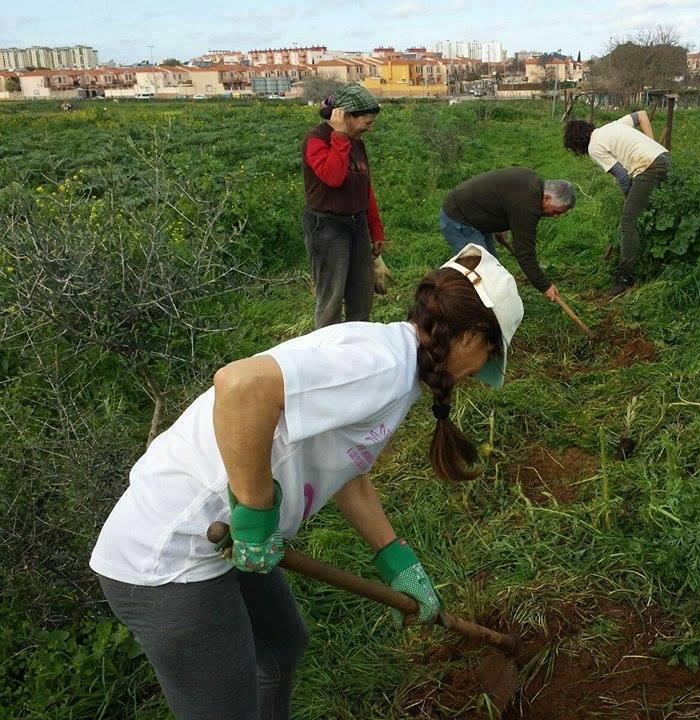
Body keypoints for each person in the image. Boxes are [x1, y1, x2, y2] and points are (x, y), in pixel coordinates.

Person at [89, 244, 523, 720]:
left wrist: (396, 560)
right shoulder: (381, 365)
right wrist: (256, 512)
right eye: (488, 354)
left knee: (281, 646)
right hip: (172, 554)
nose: (479, 371)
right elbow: (241, 387)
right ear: (470, 335)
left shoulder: (399, 364)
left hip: (231, 540)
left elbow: (346, 466)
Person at [301, 82, 386, 328]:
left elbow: (365, 189)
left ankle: (357, 340)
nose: (369, 128)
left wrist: (375, 229)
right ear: (345, 117)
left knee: (362, 293)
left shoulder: (357, 143)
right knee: (332, 297)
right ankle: (330, 345)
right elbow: (333, 177)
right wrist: (338, 136)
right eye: (366, 123)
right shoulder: (316, 139)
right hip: (327, 227)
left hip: (356, 223)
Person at [563, 112, 671, 297]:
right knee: (653, 212)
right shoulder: (613, 125)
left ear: (577, 144)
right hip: (663, 158)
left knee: (628, 222)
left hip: (648, 168)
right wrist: (651, 143)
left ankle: (624, 278)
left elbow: (622, 177)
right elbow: (642, 115)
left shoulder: (594, 147)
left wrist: (628, 197)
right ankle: (657, 263)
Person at [439, 167, 576, 304]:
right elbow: (525, 253)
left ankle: (490, 305)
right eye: (557, 211)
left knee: (492, 267)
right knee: (479, 272)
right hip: (460, 219)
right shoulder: (528, 205)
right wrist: (544, 285)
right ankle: (457, 304)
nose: (556, 216)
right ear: (546, 198)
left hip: (474, 215)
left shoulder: (532, 183)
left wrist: (497, 225)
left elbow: (502, 198)